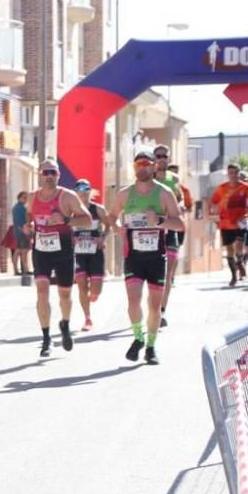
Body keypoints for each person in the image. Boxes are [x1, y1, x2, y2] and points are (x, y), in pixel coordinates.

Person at [108, 150, 185, 365]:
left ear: (154, 167)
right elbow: (111, 217)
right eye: (138, 165)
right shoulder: (125, 194)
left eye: (146, 164)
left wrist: (159, 221)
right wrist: (117, 229)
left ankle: (151, 346)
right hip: (133, 255)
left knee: (154, 305)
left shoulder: (164, 194)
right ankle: (138, 338)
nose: (142, 168)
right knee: (133, 300)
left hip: (156, 256)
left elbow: (179, 224)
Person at [22, 160, 93, 357]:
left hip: (63, 252)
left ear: (58, 175)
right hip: (41, 251)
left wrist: (67, 220)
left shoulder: (67, 196)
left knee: (64, 294)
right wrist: (28, 227)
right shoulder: (32, 197)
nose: (49, 176)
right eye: (45, 172)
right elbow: (29, 218)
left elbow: (87, 220)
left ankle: (65, 324)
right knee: (42, 291)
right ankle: (46, 338)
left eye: (53, 172)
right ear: (40, 174)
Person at [72, 179, 110, 331]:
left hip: (95, 252)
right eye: (79, 188)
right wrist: (70, 238)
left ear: (89, 191)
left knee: (96, 290)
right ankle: (87, 318)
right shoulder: (71, 210)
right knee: (81, 286)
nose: (83, 191)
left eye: (86, 188)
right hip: (79, 253)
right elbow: (64, 225)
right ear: (75, 192)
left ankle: (94, 294)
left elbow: (108, 224)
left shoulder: (98, 209)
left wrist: (103, 237)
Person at [152, 146, 185, 327]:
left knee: (168, 272)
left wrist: (180, 206)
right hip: (153, 230)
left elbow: (180, 198)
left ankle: (161, 311)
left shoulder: (174, 179)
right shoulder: (149, 179)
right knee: (154, 272)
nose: (162, 159)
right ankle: (153, 306)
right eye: (158, 156)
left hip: (170, 228)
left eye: (165, 156)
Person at [209, 164, 248, 287]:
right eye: (231, 173)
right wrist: (214, 215)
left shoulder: (245, 188)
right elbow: (213, 202)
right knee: (229, 251)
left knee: (239, 247)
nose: (233, 175)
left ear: (238, 174)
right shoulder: (221, 188)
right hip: (226, 224)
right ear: (228, 174)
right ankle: (234, 275)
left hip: (240, 222)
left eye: (235, 172)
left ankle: (239, 262)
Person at [11, 191, 31, 275]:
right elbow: (25, 221)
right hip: (23, 232)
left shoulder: (15, 207)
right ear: (19, 198)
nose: (26, 199)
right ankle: (25, 270)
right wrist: (27, 231)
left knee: (17, 250)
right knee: (24, 251)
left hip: (17, 231)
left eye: (27, 197)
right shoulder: (23, 208)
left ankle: (16, 270)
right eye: (24, 197)